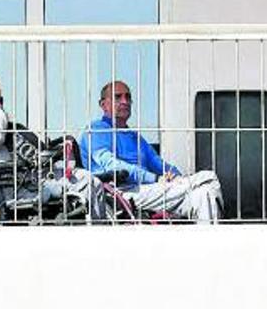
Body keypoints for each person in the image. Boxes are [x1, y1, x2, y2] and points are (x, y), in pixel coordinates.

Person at [78, 80, 222, 222]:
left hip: (150, 191)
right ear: (103, 105)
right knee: (208, 178)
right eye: (118, 97)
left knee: (204, 194)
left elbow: (158, 163)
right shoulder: (96, 130)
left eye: (128, 97)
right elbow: (112, 166)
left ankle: (209, 243)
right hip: (122, 193)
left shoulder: (134, 136)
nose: (125, 101)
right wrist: (156, 179)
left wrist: (175, 176)